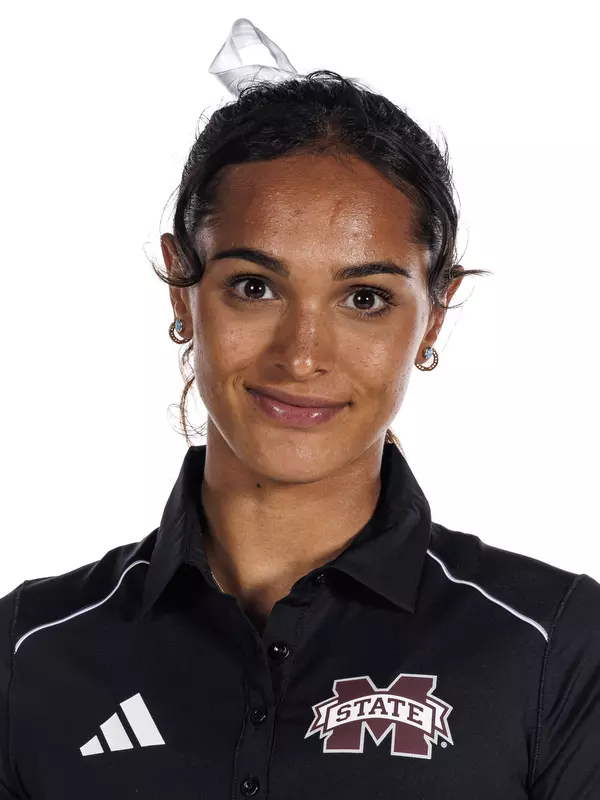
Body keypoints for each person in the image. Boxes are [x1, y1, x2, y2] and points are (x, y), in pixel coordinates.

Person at [1, 17, 599, 800]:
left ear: (437, 313)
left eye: (365, 297)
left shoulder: (555, 643)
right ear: (184, 287)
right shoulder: (30, 653)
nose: (302, 353)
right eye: (254, 286)